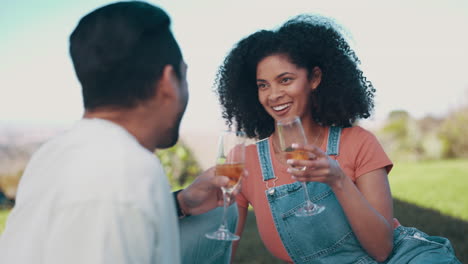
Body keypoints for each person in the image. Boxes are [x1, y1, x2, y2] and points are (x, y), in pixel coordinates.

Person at [0, 1, 237, 264]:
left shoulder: (52, 153)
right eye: (184, 76)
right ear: (168, 82)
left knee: (220, 214)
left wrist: (182, 203)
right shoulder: (131, 172)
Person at [216, 14, 461, 264]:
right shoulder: (244, 162)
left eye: (285, 80)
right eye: (263, 85)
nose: (274, 94)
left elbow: (382, 249)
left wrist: (338, 180)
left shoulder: (358, 142)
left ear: (314, 78)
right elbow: (222, 249)